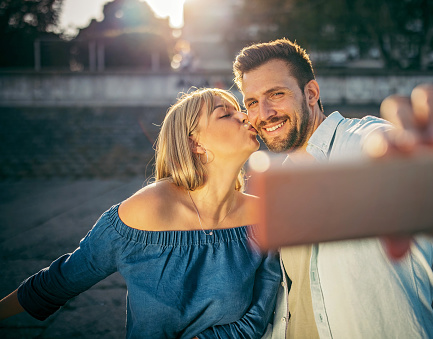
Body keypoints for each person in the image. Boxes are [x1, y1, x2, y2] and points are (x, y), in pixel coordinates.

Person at [233, 38, 433, 338]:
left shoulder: (364, 143)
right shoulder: (280, 181)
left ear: (311, 93)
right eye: (252, 102)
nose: (263, 113)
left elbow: (406, 168)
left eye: (275, 94)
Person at [0, 88, 281, 338]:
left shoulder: (263, 215)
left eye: (239, 110)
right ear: (195, 143)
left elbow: (259, 315)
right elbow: (60, 280)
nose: (245, 116)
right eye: (225, 114)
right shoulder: (145, 210)